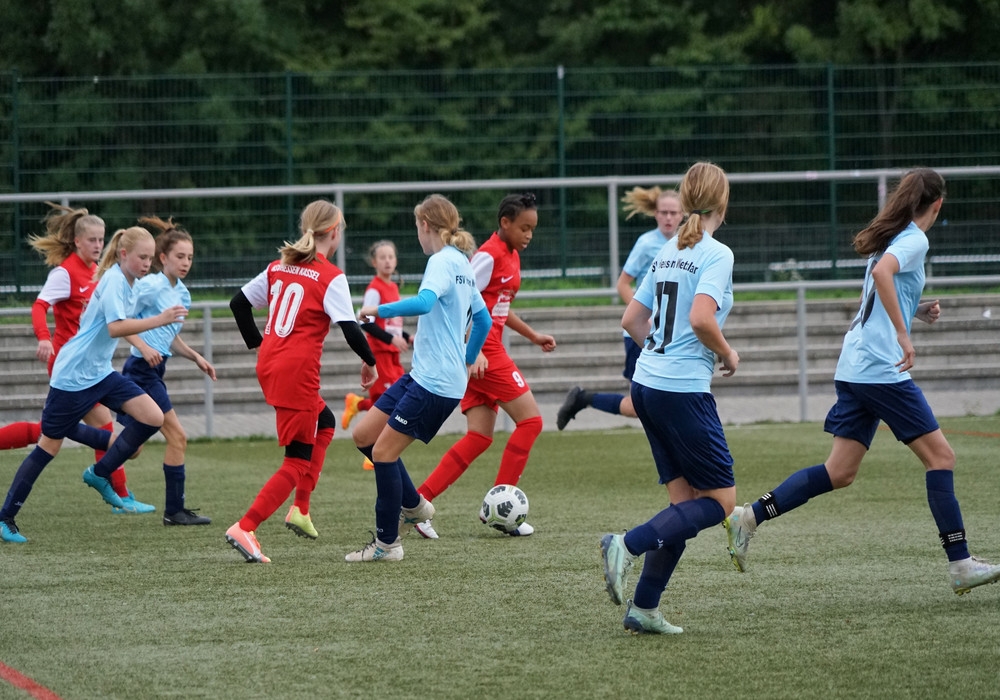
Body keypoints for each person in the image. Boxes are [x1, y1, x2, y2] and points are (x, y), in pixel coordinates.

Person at [723, 168, 1000, 595]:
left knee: (839, 471)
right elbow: (883, 277)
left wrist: (913, 310)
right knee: (942, 458)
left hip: (854, 365)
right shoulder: (914, 239)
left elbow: (874, 296)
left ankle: (750, 517)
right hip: (880, 369)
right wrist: (904, 334)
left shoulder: (892, 236)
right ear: (938, 204)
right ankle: (961, 564)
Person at [599, 162, 739, 634]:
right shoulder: (716, 253)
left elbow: (631, 321)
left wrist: (661, 356)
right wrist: (727, 353)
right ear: (722, 202)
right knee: (720, 501)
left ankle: (644, 607)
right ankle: (628, 544)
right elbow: (701, 318)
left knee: (682, 506)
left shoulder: (668, 248)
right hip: (680, 391)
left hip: (647, 384)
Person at [0, 226, 188, 543]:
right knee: (49, 445)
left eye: (150, 258)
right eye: (142, 257)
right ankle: (5, 518)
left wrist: (154, 340)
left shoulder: (130, 282)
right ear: (124, 254)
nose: (147, 263)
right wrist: (160, 319)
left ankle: (99, 474)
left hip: (100, 373)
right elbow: (115, 327)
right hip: (73, 377)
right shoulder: (114, 280)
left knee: (153, 417)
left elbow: (119, 324)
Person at [225, 200, 378, 563]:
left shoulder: (279, 266)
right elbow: (351, 329)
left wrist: (261, 346)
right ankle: (245, 527)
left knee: (325, 421)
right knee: (296, 460)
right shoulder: (330, 276)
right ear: (334, 233)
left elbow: (237, 304)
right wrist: (371, 363)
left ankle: (301, 509)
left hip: (271, 364)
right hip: (296, 372)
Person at [347, 193, 491, 562]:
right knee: (364, 436)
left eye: (416, 226)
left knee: (383, 453)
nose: (417, 233)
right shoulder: (461, 262)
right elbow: (484, 320)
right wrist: (467, 360)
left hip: (435, 383)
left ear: (425, 225)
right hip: (424, 375)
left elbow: (425, 303)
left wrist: (376, 310)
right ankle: (414, 505)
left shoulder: (441, 261)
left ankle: (387, 545)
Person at [412, 193, 556, 539]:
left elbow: (498, 307)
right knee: (531, 422)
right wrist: (471, 350)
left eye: (532, 229)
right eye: (524, 227)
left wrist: (532, 335)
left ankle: (416, 505)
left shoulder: (511, 255)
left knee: (478, 437)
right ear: (505, 223)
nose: (529, 235)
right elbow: (462, 301)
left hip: (483, 352)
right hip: (483, 352)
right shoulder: (488, 256)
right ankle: (501, 508)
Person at [557, 187, 683, 430]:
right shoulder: (646, 243)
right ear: (655, 214)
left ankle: (583, 398)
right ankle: (583, 398)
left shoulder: (685, 245)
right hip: (642, 332)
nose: (668, 218)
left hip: (669, 333)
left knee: (662, 400)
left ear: (682, 215)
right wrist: (644, 317)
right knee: (642, 405)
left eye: (673, 213)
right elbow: (623, 284)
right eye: (663, 212)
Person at [119, 216, 216, 526]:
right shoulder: (150, 286)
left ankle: (92, 448)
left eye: (190, 257)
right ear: (163, 258)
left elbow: (169, 336)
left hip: (155, 369)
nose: (186, 262)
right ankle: (174, 511)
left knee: (133, 449)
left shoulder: (183, 294)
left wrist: (195, 356)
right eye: (180, 256)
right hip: (140, 370)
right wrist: (143, 347)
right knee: (178, 437)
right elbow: (120, 321)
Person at [341, 240, 411, 470]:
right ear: (374, 262)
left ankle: (357, 404)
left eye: (391, 257)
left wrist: (406, 336)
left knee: (395, 400)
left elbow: (390, 324)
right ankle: (373, 452)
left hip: (392, 355)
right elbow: (365, 322)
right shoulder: (375, 289)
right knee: (389, 402)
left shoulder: (393, 287)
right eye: (382, 257)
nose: (387, 261)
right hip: (379, 354)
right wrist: (391, 339)